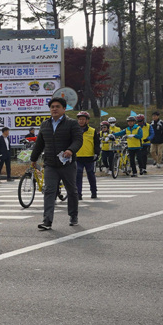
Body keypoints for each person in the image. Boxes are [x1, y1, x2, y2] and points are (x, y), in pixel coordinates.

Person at [30, 97, 80, 230]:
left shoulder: (72, 123)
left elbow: (78, 140)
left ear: (64, 109)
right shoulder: (45, 124)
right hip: (51, 164)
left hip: (67, 164)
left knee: (72, 191)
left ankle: (73, 215)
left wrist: (70, 150)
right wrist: (33, 159)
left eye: (57, 106)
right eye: (52, 107)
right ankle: (47, 221)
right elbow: (39, 143)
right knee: (49, 191)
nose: (54, 109)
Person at [73, 111, 100, 199]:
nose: (81, 121)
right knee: (78, 175)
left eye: (83, 119)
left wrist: (97, 153)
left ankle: (94, 191)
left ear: (87, 120)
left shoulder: (92, 131)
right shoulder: (74, 131)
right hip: (78, 157)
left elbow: (96, 143)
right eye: (79, 119)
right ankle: (78, 194)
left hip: (89, 157)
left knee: (91, 174)